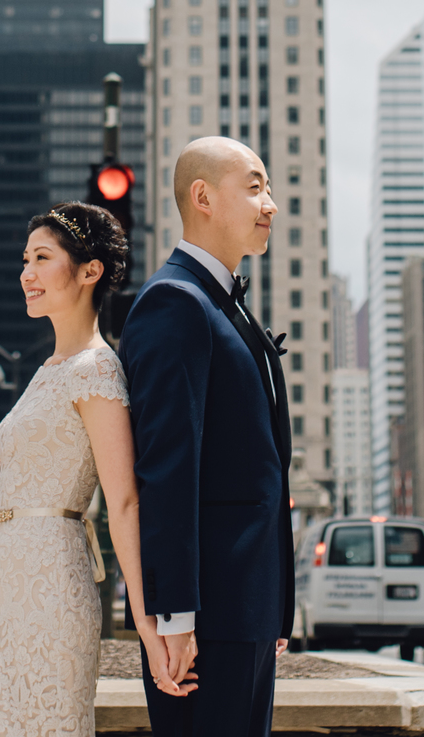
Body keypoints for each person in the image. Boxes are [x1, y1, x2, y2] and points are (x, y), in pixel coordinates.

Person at [0, 201, 149, 737]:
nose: (26, 274)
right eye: (25, 260)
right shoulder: (47, 369)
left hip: (55, 587)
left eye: (42, 258)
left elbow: (122, 501)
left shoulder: (97, 369)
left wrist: (145, 617)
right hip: (10, 582)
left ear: (89, 271)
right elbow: (38, 489)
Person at [123, 138, 293, 737]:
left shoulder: (227, 306)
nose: (270, 203)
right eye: (254, 186)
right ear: (203, 197)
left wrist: (276, 607)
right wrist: (171, 616)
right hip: (203, 620)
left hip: (244, 606)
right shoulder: (176, 303)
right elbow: (166, 471)